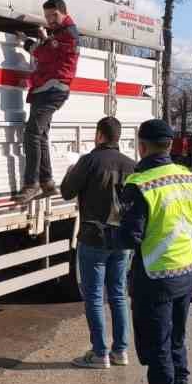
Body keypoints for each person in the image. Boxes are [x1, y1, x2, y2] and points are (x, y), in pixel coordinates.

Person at [113, 118, 192, 384]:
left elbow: (130, 237)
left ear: (142, 145)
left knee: (157, 349)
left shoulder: (139, 183)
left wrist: (111, 227)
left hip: (154, 277)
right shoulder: (190, 178)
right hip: (187, 271)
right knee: (177, 342)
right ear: (170, 145)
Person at [60, 116, 137, 368]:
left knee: (94, 296)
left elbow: (66, 191)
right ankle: (121, 351)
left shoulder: (89, 161)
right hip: (122, 240)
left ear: (100, 135)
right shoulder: (131, 165)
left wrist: (72, 170)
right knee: (118, 295)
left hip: (93, 238)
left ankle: (99, 353)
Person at [13, 0, 79, 203]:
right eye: (47, 16)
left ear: (64, 12)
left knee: (32, 134)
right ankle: (47, 183)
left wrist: (27, 42)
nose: (50, 19)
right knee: (40, 135)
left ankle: (31, 184)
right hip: (45, 88)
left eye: (54, 15)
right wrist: (45, 38)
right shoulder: (61, 33)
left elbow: (45, 54)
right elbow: (52, 50)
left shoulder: (68, 33)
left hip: (53, 89)